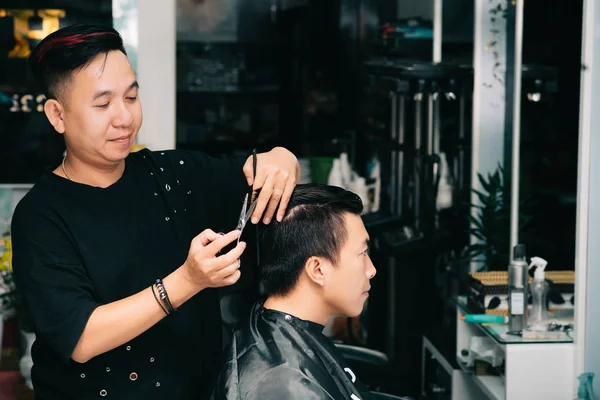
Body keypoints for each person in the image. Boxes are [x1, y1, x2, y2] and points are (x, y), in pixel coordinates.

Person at [10, 24, 300, 400]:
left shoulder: (175, 175)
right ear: (57, 115)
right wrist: (187, 281)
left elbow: (257, 173)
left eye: (131, 97)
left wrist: (281, 158)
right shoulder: (40, 216)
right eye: (102, 104)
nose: (124, 118)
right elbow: (81, 336)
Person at [211, 184, 377, 400]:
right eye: (362, 253)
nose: (371, 270)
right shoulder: (284, 386)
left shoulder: (269, 325)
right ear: (317, 270)